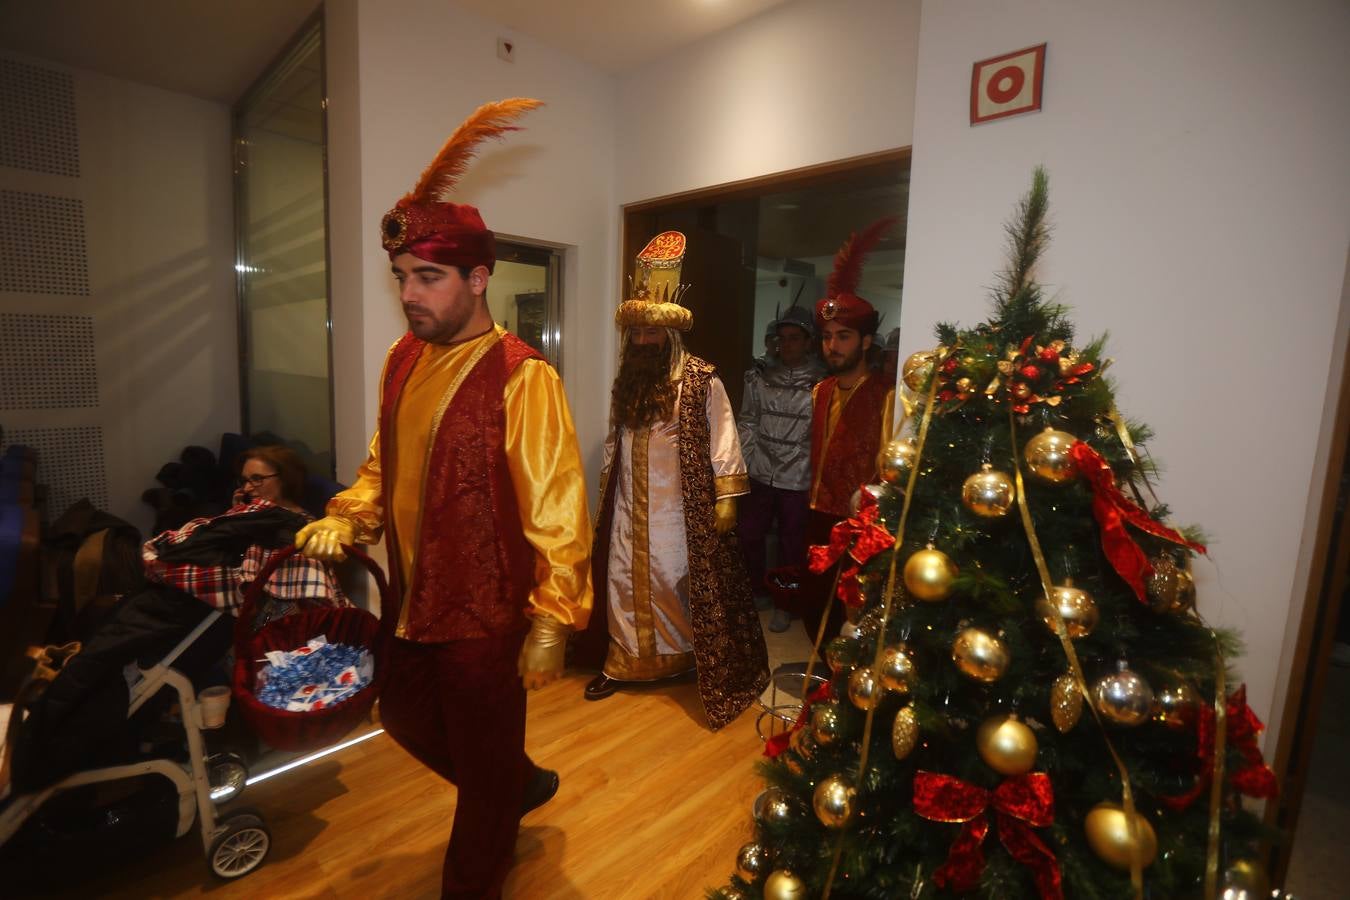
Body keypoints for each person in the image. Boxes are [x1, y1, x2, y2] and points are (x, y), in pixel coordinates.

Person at [294, 99, 593, 900]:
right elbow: (381, 467)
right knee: (403, 719)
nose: (410, 296)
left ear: (479, 278)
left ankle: (476, 870)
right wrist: (344, 511)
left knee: (479, 781)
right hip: (414, 603)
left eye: (428, 278)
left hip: (489, 615)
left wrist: (552, 620)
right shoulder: (402, 358)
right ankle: (513, 786)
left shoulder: (523, 375)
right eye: (402, 279)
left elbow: (558, 504)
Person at [574, 231, 768, 730]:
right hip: (626, 505)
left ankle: (682, 658)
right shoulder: (628, 380)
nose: (642, 340)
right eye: (636, 332)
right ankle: (622, 662)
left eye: (651, 332)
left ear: (671, 335)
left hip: (677, 510)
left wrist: (727, 498)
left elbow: (724, 437)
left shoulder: (703, 378)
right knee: (619, 579)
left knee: (670, 583)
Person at [804, 219, 897, 644]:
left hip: (860, 525)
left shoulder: (886, 396)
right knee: (813, 612)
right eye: (827, 337)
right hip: (815, 516)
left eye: (843, 336)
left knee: (854, 620)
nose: (832, 346)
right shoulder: (820, 390)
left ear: (865, 342)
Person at [737, 306, 825, 633]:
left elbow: (819, 433)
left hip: (797, 475)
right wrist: (742, 463)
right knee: (749, 535)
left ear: (808, 342)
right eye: (782, 338)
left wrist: (812, 471)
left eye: (794, 339)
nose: (786, 345)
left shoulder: (821, 383)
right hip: (761, 469)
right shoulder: (759, 376)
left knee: (792, 544)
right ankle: (757, 591)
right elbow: (748, 421)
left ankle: (785, 603)